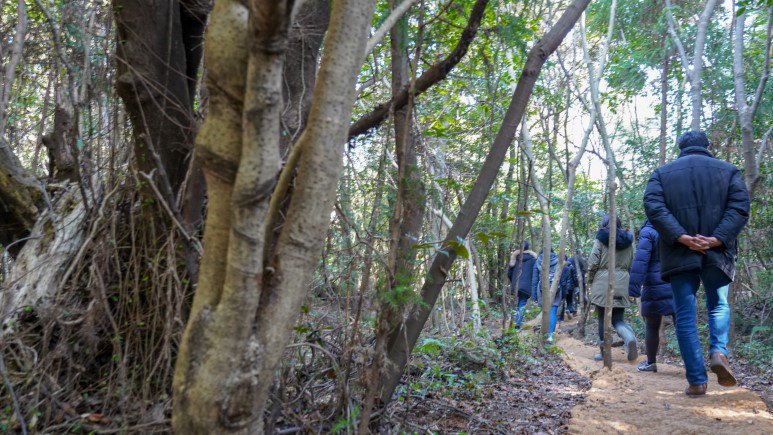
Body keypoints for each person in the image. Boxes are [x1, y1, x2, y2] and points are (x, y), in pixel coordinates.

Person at [644, 131, 750, 397]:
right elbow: (739, 207)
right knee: (718, 305)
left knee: (685, 316)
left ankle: (696, 381)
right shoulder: (729, 171)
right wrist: (716, 239)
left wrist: (682, 237)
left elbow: (654, 207)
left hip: (679, 253)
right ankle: (719, 352)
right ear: (708, 146)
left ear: (680, 148)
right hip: (718, 252)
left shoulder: (661, 174)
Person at [587, 214, 637, 361]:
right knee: (618, 319)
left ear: (604, 224)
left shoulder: (601, 238)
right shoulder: (629, 240)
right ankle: (629, 337)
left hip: (603, 282)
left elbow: (593, 262)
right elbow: (632, 263)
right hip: (623, 282)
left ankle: (604, 353)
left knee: (603, 319)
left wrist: (591, 280)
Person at [628, 220, 674, 373]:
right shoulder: (676, 226)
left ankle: (651, 362)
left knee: (652, 325)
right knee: (682, 324)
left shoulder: (648, 231)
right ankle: (693, 364)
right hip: (677, 281)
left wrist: (633, 288)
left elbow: (641, 260)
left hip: (655, 285)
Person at [531, 248, 560, 342]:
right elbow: (562, 278)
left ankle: (544, 334)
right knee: (552, 312)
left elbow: (535, 279)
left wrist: (534, 296)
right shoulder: (558, 260)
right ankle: (550, 336)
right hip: (556, 289)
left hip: (542, 289)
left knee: (545, 311)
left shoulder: (538, 261)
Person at [508, 242, 538, 329]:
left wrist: (513, 281)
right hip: (527, 286)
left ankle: (515, 320)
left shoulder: (514, 258)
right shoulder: (533, 259)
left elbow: (509, 273)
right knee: (522, 303)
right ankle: (517, 323)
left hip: (516, 284)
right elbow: (535, 274)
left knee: (519, 302)